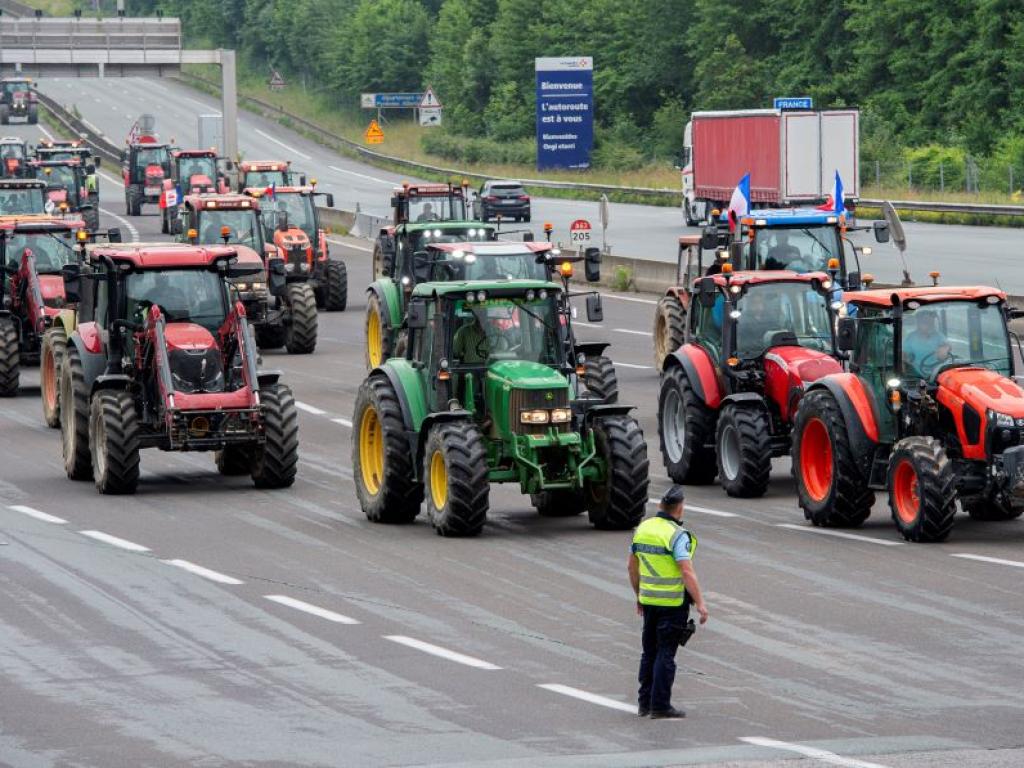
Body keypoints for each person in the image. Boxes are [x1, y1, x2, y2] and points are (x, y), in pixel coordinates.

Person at [628, 485, 707, 719]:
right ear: (680, 508)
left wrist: (639, 595)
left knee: (649, 652)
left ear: (660, 506)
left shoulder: (643, 529)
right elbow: (686, 571)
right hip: (672, 605)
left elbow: (632, 566)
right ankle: (660, 706)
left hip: (649, 601)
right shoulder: (676, 535)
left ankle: (644, 704)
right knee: (665, 653)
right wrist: (701, 603)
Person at [903, 310, 951, 377]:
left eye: (929, 321)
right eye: (924, 321)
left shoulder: (939, 336)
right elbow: (904, 356)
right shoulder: (911, 337)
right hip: (916, 374)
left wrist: (945, 349)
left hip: (937, 373)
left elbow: (946, 348)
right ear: (918, 322)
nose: (927, 324)